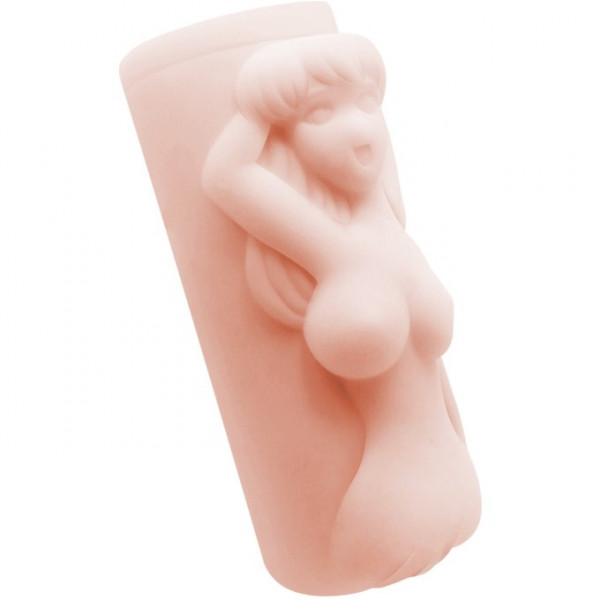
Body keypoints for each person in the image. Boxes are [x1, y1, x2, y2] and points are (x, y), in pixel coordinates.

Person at [202, 33, 480, 590]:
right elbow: (225, 177)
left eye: (368, 103)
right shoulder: (329, 246)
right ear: (286, 136)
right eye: (320, 114)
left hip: (460, 490)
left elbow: (436, 381)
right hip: (385, 510)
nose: (359, 128)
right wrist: (260, 105)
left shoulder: (388, 219)